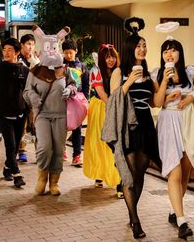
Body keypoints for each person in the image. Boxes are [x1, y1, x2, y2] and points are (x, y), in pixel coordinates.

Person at [102, 17, 160, 239]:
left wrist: (165, 86)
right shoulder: (119, 72)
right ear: (129, 49)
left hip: (145, 123)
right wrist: (128, 82)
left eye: (144, 45)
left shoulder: (148, 73)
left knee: (141, 170)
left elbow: (155, 102)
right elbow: (114, 100)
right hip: (127, 124)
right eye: (139, 46)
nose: (143, 49)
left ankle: (131, 210)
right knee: (129, 172)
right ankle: (135, 220)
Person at [151, 38, 194, 239]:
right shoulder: (156, 73)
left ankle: (175, 212)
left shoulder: (191, 71)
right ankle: (183, 221)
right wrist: (165, 85)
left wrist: (189, 98)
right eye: (166, 51)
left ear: (180, 53)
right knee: (174, 173)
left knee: (184, 174)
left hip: (189, 124)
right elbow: (156, 103)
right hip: (168, 124)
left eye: (173, 50)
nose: (169, 54)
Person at [24, 25, 73, 196]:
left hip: (61, 115)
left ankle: (54, 182)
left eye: (54, 47)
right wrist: (34, 98)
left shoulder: (65, 70)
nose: (51, 51)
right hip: (42, 115)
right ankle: (41, 178)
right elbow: (26, 91)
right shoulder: (35, 71)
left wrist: (70, 90)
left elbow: (75, 85)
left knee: (59, 149)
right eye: (48, 48)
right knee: (45, 147)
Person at [82, 44, 122, 198]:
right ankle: (99, 173)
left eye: (112, 56)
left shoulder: (120, 71)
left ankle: (119, 181)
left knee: (116, 146)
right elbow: (102, 94)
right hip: (101, 108)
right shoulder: (95, 71)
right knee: (100, 143)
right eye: (107, 57)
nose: (110, 60)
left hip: (116, 108)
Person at [0, 38, 28, 188]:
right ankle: (17, 174)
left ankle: (7, 168)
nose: (6, 52)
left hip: (20, 113)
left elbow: (28, 92)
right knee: (10, 146)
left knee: (16, 144)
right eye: (4, 50)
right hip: (3, 114)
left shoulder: (24, 70)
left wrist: (28, 110)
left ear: (17, 52)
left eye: (10, 50)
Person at [62, 39, 89, 166]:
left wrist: (85, 100)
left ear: (76, 51)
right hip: (63, 100)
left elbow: (86, 85)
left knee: (77, 128)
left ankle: (77, 155)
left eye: (71, 53)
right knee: (62, 127)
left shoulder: (82, 66)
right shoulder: (60, 66)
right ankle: (62, 151)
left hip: (77, 100)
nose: (68, 55)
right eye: (66, 53)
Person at [17, 33, 39, 162]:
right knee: (23, 127)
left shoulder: (35, 60)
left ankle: (38, 152)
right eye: (28, 44)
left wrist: (33, 60)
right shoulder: (17, 60)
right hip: (21, 98)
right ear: (22, 45)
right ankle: (22, 150)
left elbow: (39, 75)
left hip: (34, 98)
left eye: (32, 44)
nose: (30, 47)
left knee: (36, 126)